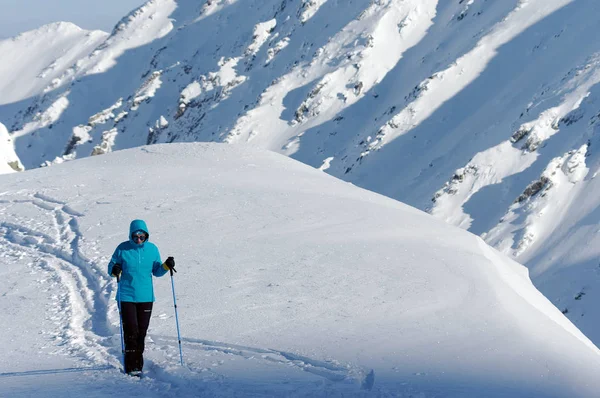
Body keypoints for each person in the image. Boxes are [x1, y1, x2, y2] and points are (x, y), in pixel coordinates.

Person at [108, 219, 176, 376]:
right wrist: (115, 269)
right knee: (131, 330)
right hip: (126, 296)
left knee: (141, 332)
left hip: (146, 297)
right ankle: (132, 366)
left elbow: (157, 271)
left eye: (142, 236)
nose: (139, 239)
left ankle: (138, 362)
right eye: (136, 236)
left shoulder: (152, 249)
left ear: (146, 236)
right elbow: (111, 268)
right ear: (131, 235)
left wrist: (167, 265)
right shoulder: (122, 249)